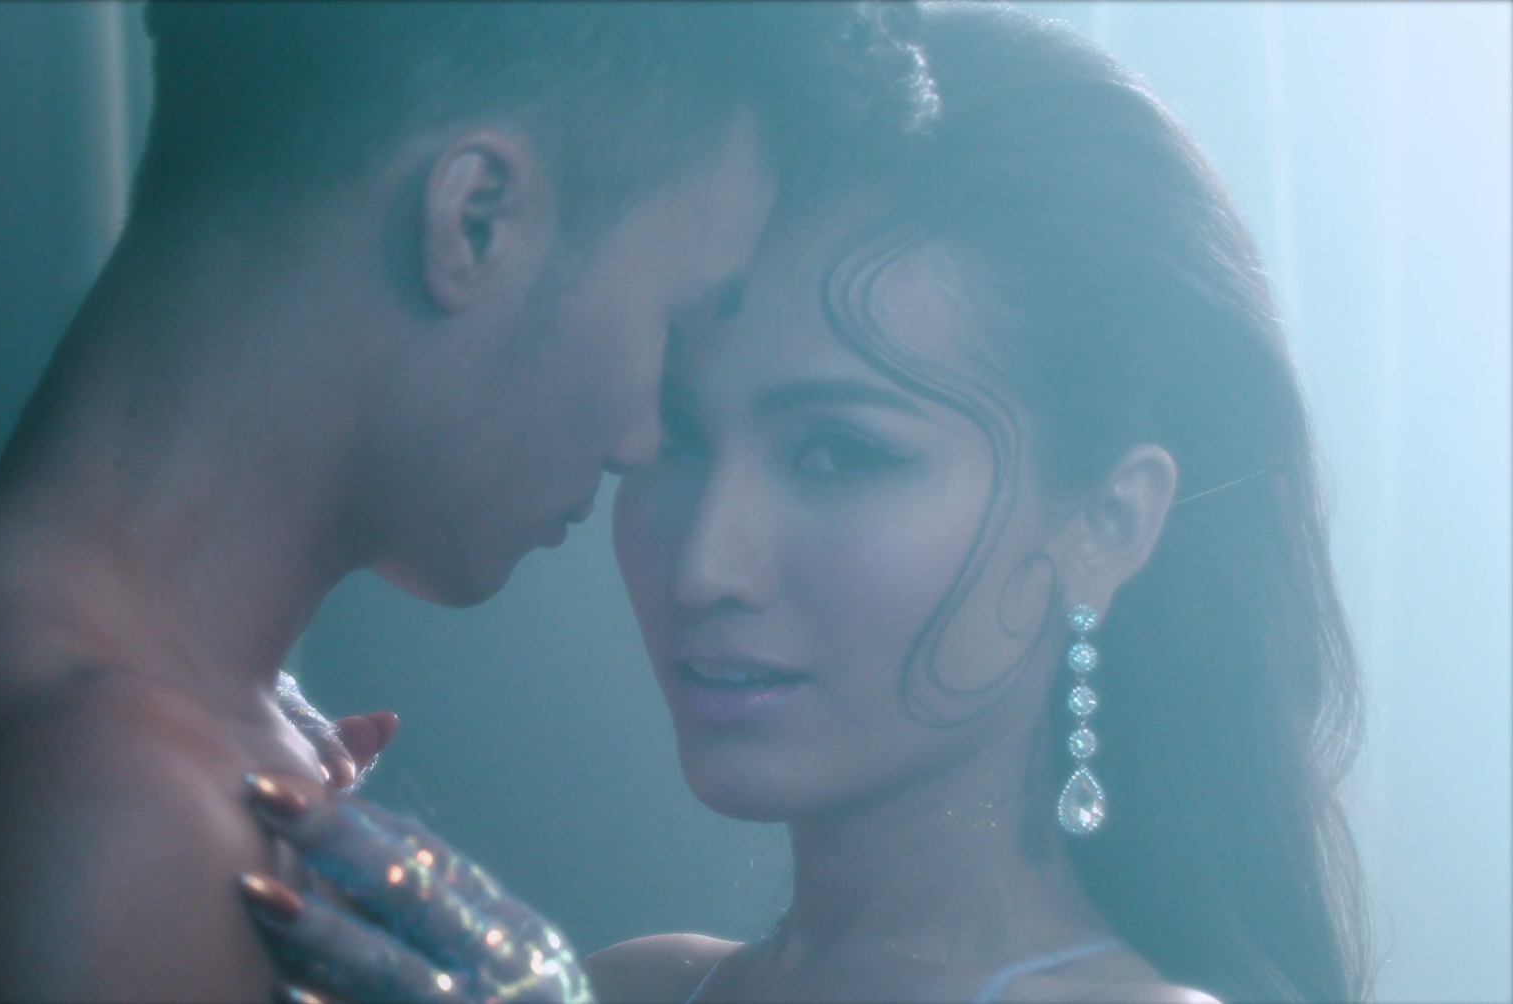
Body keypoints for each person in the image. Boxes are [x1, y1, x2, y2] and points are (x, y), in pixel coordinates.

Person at [0, 4, 939, 1001]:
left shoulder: (81, 707)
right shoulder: (102, 805)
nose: (640, 439)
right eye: (674, 319)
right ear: (474, 217)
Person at [241, 5, 1373, 1002]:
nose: (706, 565)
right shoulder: (634, 983)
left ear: (1106, 523)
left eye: (839, 454)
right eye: (678, 437)